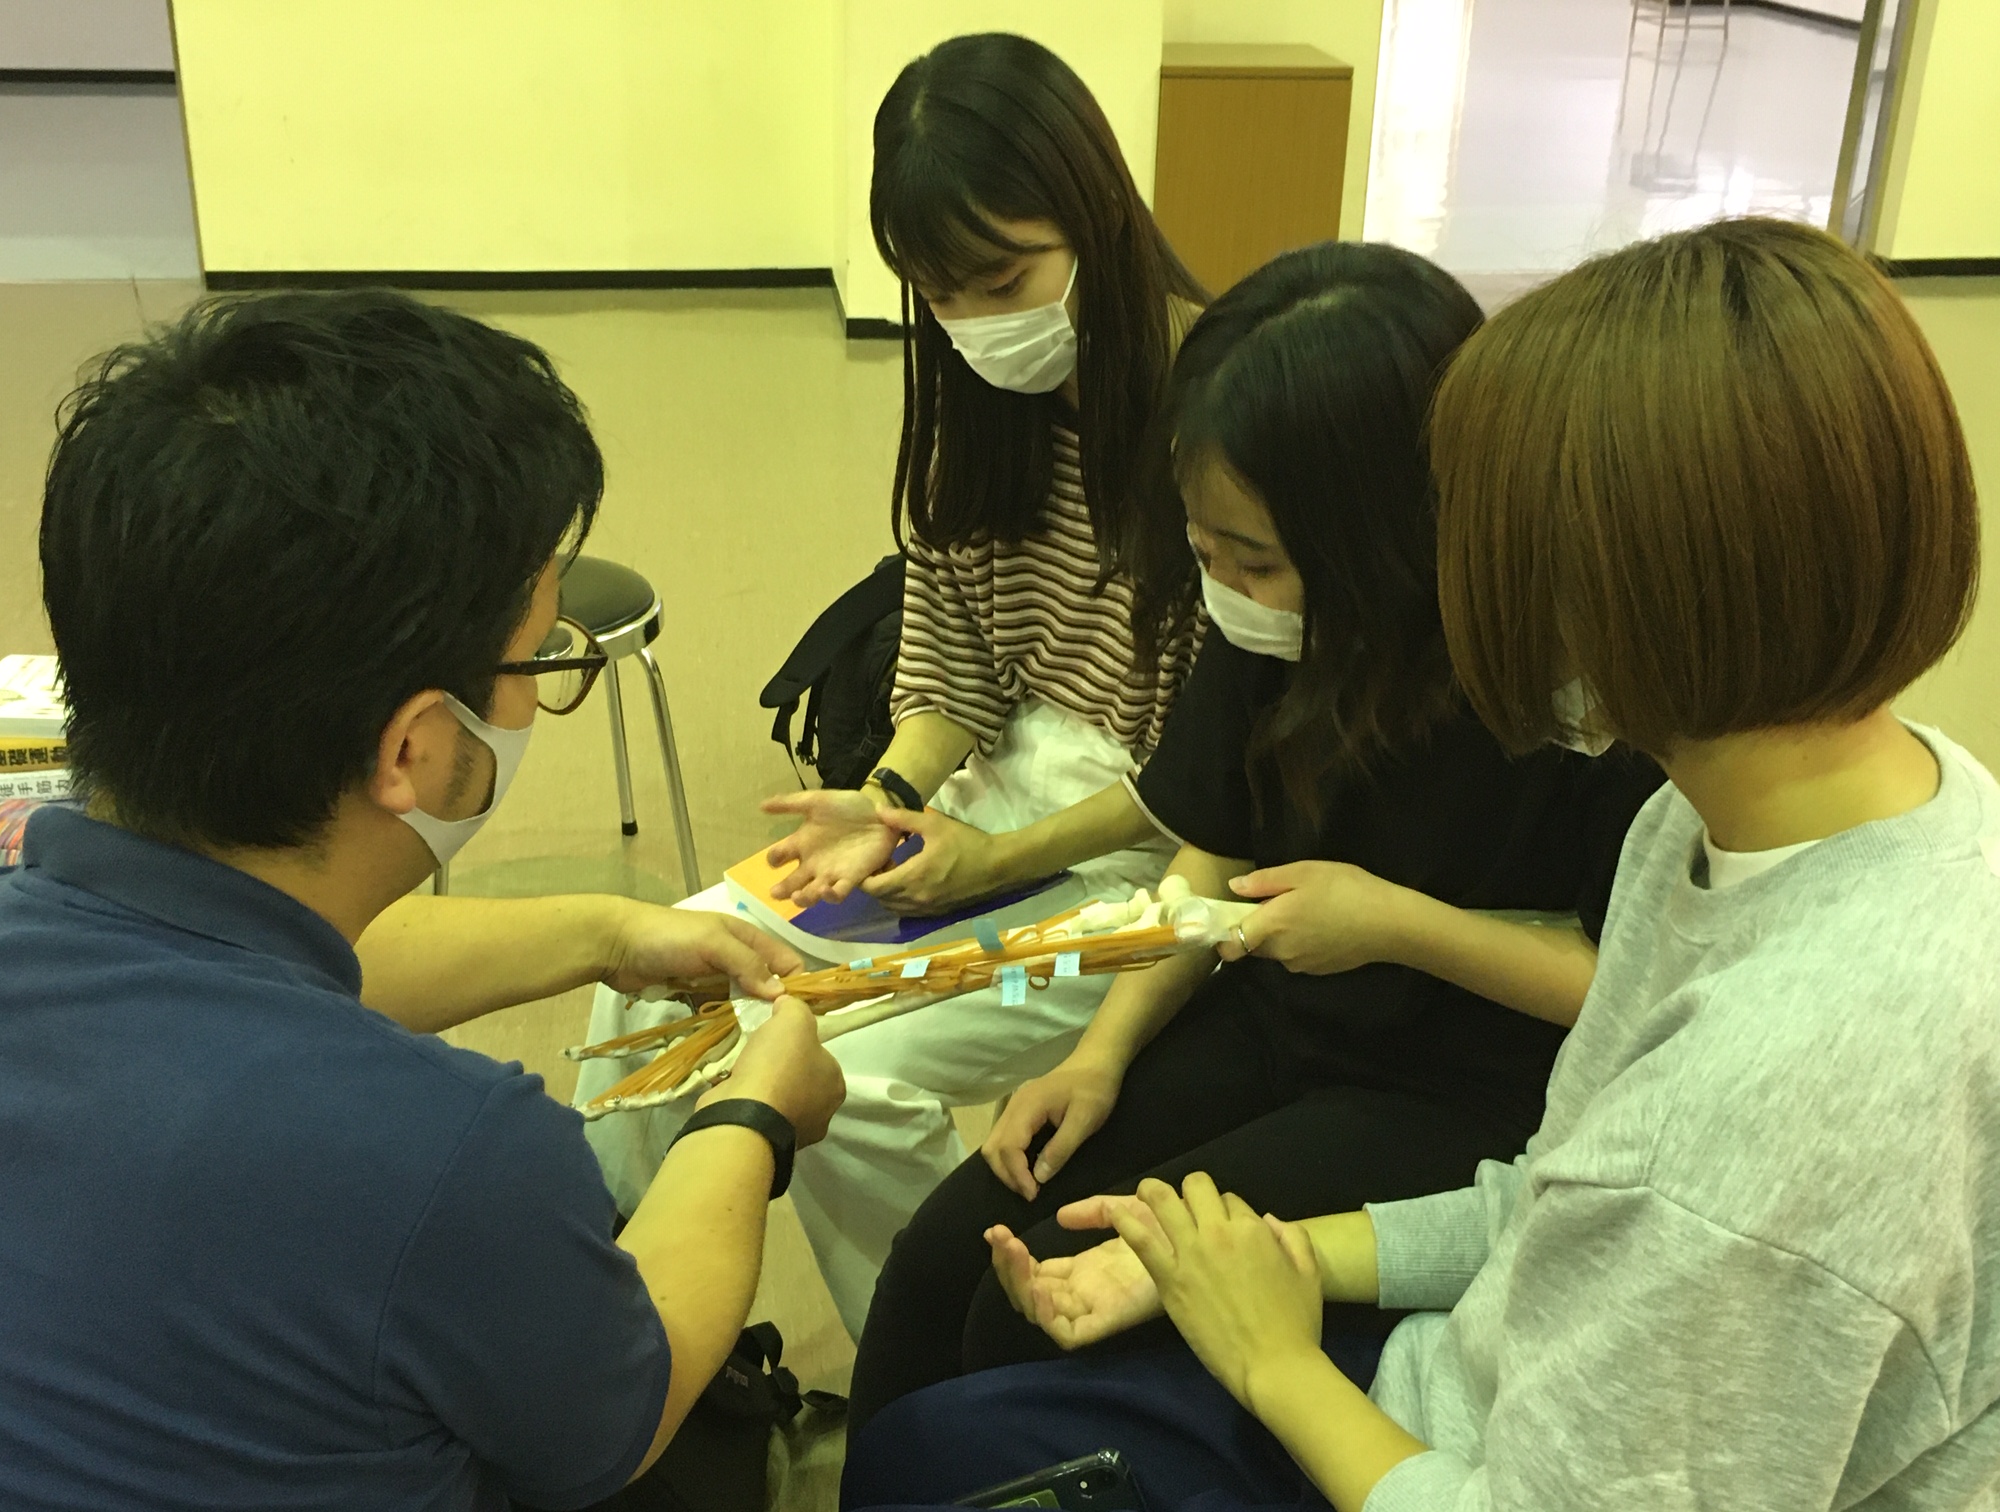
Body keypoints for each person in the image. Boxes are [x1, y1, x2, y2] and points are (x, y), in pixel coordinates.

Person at [839, 217, 2000, 1511]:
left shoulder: (1763, 1118)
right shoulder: (1736, 822)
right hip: (1455, 1354)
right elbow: (1545, 1206)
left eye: (1496, 547)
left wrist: (1272, 1356)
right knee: (962, 1329)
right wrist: (1273, 1254)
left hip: (1447, 1404)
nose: (1474, 590)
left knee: (947, 1444)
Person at [0, 290, 844, 1511]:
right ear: (412, 748)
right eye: (538, 660)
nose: (536, 698)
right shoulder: (453, 1157)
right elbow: (624, 1408)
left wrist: (605, 930)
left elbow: (263, 977)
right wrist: (751, 1120)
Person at [844, 241, 1663, 1429]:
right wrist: (1099, 1055)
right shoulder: (1269, 628)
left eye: (1257, 560)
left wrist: (1400, 928)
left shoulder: (1573, 691)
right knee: (944, 1256)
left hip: (1459, 1095)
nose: (1223, 584)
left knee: (1031, 1316)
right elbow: (1212, 859)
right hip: (1281, 1020)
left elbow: (1632, 987)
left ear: (1390, 533)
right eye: (1203, 547)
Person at [579, 32, 1208, 1338]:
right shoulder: (980, 407)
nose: (977, 323)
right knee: (652, 974)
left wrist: (997, 857)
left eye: (1003, 280)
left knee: (839, 1081)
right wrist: (886, 798)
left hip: (1150, 859)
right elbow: (952, 673)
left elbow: (1219, 780)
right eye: (940, 293)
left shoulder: (1219, 408)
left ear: (1097, 212)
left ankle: (947, 1366)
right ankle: (622, 1343)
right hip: (997, 804)